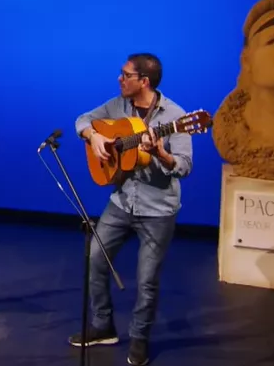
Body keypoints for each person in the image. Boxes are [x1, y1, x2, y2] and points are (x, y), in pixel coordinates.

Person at [67, 53, 193, 366]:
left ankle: (139, 339)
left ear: (144, 81)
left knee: (146, 279)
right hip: (122, 202)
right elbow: (82, 120)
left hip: (157, 210)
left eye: (126, 75)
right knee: (95, 258)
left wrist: (161, 155)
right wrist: (95, 136)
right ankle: (103, 325)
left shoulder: (176, 117)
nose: (119, 79)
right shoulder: (118, 106)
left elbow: (184, 166)